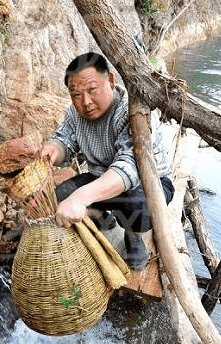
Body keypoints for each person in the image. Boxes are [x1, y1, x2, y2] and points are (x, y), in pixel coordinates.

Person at [39, 52, 174, 271]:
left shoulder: (133, 111)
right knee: (61, 195)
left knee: (139, 208)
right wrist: (54, 150)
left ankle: (133, 235)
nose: (86, 102)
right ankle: (102, 219)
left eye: (92, 90)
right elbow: (65, 141)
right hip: (101, 177)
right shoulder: (75, 113)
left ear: (110, 80)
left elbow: (128, 168)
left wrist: (81, 198)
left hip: (147, 183)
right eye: (76, 95)